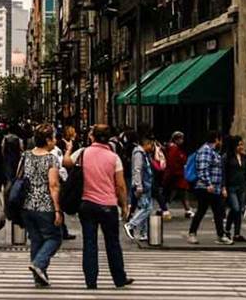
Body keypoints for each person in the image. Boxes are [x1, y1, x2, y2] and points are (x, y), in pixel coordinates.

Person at [64, 125, 131, 289]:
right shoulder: (114, 157)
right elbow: (121, 185)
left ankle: (91, 281)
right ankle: (119, 278)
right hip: (108, 205)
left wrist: (68, 149)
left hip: (87, 204)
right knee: (113, 242)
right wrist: (124, 205)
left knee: (90, 243)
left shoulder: (83, 152)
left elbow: (66, 163)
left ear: (92, 137)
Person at [20, 124, 63, 287]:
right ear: (47, 140)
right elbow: (53, 184)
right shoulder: (50, 158)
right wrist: (57, 209)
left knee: (36, 239)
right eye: (53, 138)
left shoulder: (26, 155)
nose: (55, 141)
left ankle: (39, 278)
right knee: (54, 238)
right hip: (45, 205)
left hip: (27, 205)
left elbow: (19, 177)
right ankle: (39, 264)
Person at [186, 130, 230, 245]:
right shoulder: (206, 150)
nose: (221, 142)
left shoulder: (212, 151)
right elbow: (202, 169)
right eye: (219, 139)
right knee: (202, 210)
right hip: (205, 188)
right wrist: (208, 183)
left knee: (217, 211)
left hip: (214, 188)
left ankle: (220, 235)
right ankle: (192, 233)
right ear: (216, 139)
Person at [126, 133, 156, 243]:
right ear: (147, 144)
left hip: (146, 185)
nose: (152, 147)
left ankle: (144, 233)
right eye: (151, 145)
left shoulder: (144, 154)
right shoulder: (139, 153)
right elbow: (137, 170)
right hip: (142, 185)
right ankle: (131, 224)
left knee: (144, 207)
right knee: (147, 208)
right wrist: (138, 186)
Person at [223, 136, 246, 242]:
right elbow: (224, 173)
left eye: (241, 144)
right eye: (239, 145)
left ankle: (236, 233)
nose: (241, 147)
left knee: (239, 209)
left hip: (242, 186)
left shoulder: (244, 157)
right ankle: (227, 229)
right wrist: (224, 187)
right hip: (231, 186)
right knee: (235, 208)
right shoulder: (227, 157)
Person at [161, 132, 191, 220]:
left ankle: (164, 207)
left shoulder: (173, 148)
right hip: (176, 175)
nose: (182, 141)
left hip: (176, 175)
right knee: (178, 192)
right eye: (181, 139)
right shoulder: (174, 149)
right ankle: (165, 208)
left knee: (174, 193)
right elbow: (172, 163)